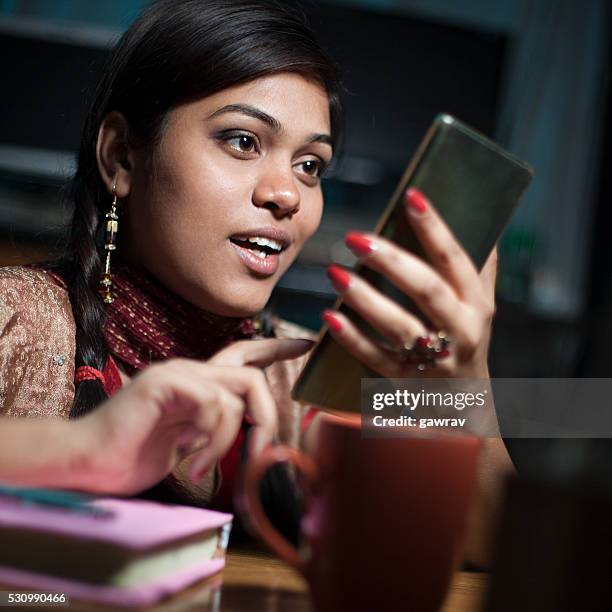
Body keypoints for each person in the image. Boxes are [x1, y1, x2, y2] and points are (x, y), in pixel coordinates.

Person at [0, 0, 512, 565]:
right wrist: (84, 449)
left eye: (310, 165)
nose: (287, 194)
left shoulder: (304, 374)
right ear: (121, 157)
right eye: (242, 141)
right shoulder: (18, 319)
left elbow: (491, 551)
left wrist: (464, 390)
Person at [0, 338, 307, 495]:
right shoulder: (13, 316)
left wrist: (359, 385)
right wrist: (78, 449)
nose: (288, 210)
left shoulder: (315, 375)